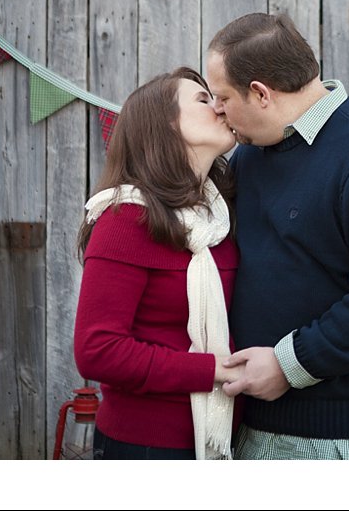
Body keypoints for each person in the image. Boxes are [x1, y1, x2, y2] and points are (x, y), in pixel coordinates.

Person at [205, 13, 349, 459]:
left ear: (260, 93)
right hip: (251, 422)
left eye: (223, 97)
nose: (217, 110)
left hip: (343, 442)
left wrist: (290, 366)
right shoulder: (251, 156)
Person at [74, 67, 242, 460]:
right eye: (203, 99)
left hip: (227, 438)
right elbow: (97, 349)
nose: (219, 107)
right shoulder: (125, 219)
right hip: (145, 445)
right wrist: (212, 370)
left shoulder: (219, 217)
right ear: (164, 126)